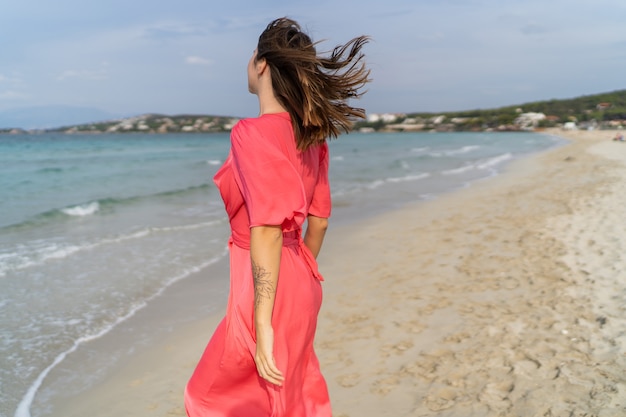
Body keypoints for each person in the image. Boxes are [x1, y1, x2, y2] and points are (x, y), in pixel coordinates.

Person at [184, 17, 370, 417]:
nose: (248, 62)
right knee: (288, 398)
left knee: (206, 400)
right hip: (301, 276)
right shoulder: (311, 136)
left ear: (263, 63)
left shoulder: (251, 133)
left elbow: (266, 228)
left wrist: (263, 321)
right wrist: (296, 275)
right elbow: (317, 222)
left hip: (264, 286)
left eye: (251, 55)